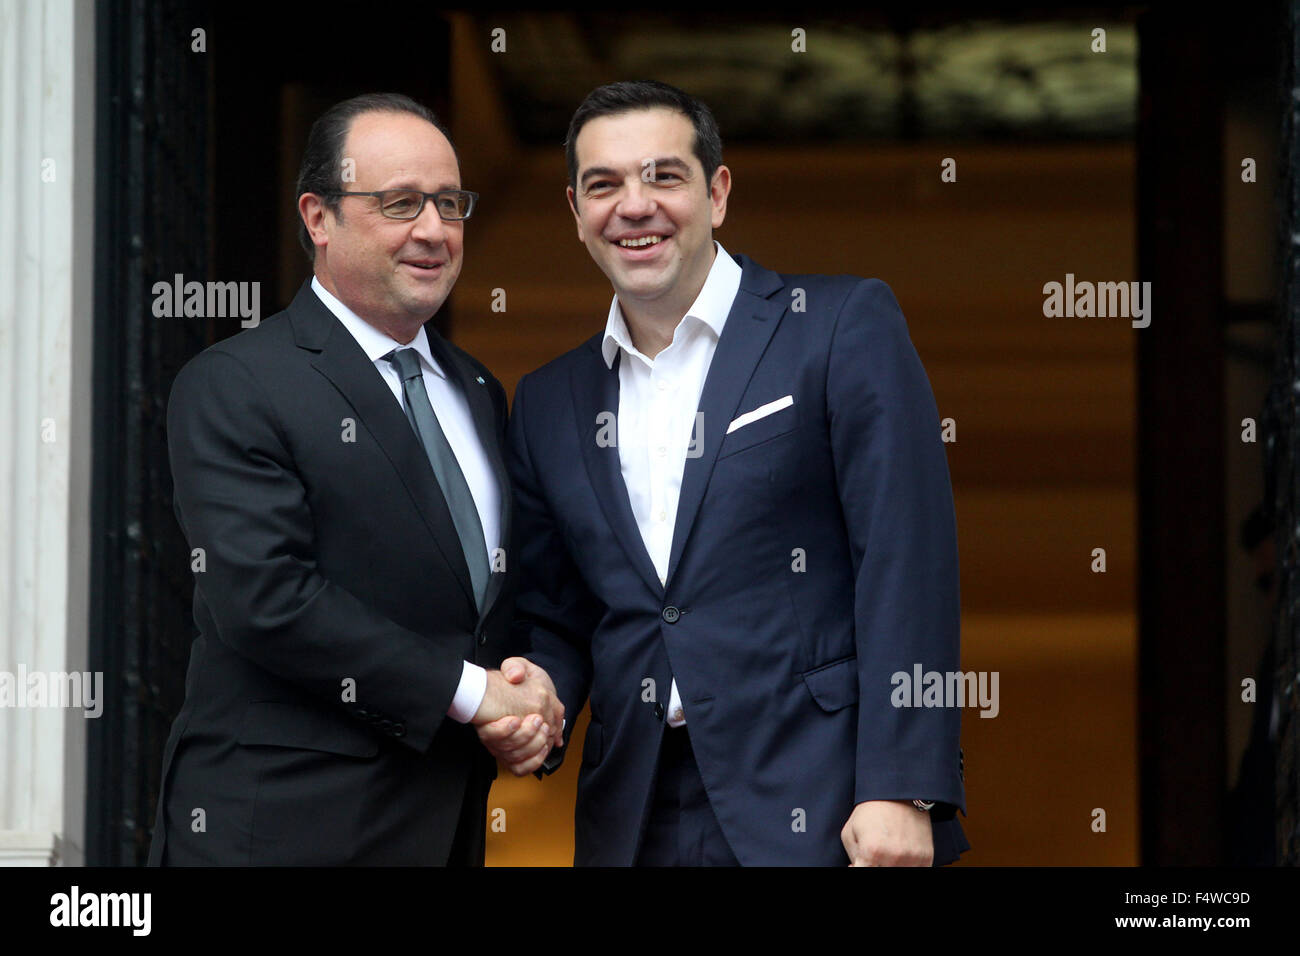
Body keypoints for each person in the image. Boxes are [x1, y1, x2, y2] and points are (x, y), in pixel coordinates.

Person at [478, 80, 970, 866]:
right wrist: (540, 693)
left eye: (663, 176)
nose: (633, 205)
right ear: (575, 213)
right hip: (633, 817)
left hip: (827, 802)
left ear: (718, 191)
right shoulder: (546, 401)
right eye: (603, 185)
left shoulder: (840, 327)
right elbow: (559, 615)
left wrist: (903, 787)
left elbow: (906, 562)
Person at [148, 92, 563, 866]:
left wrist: (529, 695)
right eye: (400, 203)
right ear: (318, 217)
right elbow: (266, 600)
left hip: (442, 827)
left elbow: (480, 598)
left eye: (449, 203)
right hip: (280, 830)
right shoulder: (237, 381)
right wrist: (475, 694)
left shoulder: (475, 389)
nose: (434, 231)